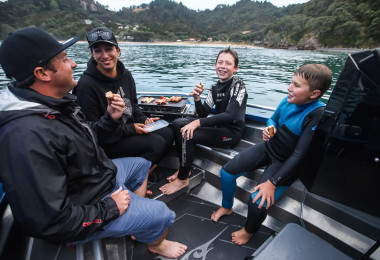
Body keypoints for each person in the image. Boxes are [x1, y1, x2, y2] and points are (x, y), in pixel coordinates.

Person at [0, 27, 186, 259]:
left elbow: (88, 135)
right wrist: (109, 207)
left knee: (139, 164)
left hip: (94, 178)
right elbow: (48, 221)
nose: (74, 64)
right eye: (65, 59)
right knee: (164, 214)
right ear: (42, 73)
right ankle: (155, 243)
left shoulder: (57, 104)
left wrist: (110, 118)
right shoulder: (26, 135)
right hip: (89, 203)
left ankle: (136, 215)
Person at [210, 63, 332, 245]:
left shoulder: (316, 115)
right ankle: (227, 207)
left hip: (287, 163)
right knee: (226, 172)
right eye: (291, 83)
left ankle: (249, 231)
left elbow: (299, 155)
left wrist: (272, 183)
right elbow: (272, 118)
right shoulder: (288, 100)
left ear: (314, 94)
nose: (289, 88)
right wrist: (270, 126)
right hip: (269, 147)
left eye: (297, 86)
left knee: (257, 202)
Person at [74, 27, 174, 171]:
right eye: (98, 51)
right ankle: (132, 181)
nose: (104, 55)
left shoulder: (125, 75)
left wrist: (144, 120)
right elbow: (92, 132)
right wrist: (130, 129)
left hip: (127, 131)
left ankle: (142, 177)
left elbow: (133, 105)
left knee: (168, 133)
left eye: (109, 49)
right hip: (107, 143)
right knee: (156, 143)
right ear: (92, 54)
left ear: (118, 50)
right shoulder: (85, 86)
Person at [160, 47, 248, 195]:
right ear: (215, 65)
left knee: (188, 132)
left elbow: (230, 115)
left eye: (228, 63)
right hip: (217, 128)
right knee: (178, 123)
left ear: (235, 68)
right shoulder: (214, 87)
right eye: (220, 62)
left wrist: (197, 123)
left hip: (231, 133)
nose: (223, 66)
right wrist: (196, 99)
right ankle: (184, 168)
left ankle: (182, 178)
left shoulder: (238, 86)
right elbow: (203, 113)